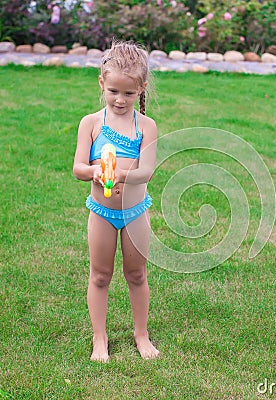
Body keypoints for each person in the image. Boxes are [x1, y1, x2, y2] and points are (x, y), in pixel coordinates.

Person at [73, 40, 159, 362]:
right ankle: (100, 337)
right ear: (102, 84)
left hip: (135, 212)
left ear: (141, 89)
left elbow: (146, 172)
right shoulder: (91, 123)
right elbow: (78, 167)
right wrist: (95, 172)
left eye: (128, 93)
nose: (120, 100)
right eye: (113, 91)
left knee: (136, 274)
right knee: (100, 274)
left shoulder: (145, 127)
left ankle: (141, 334)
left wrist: (119, 175)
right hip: (103, 213)